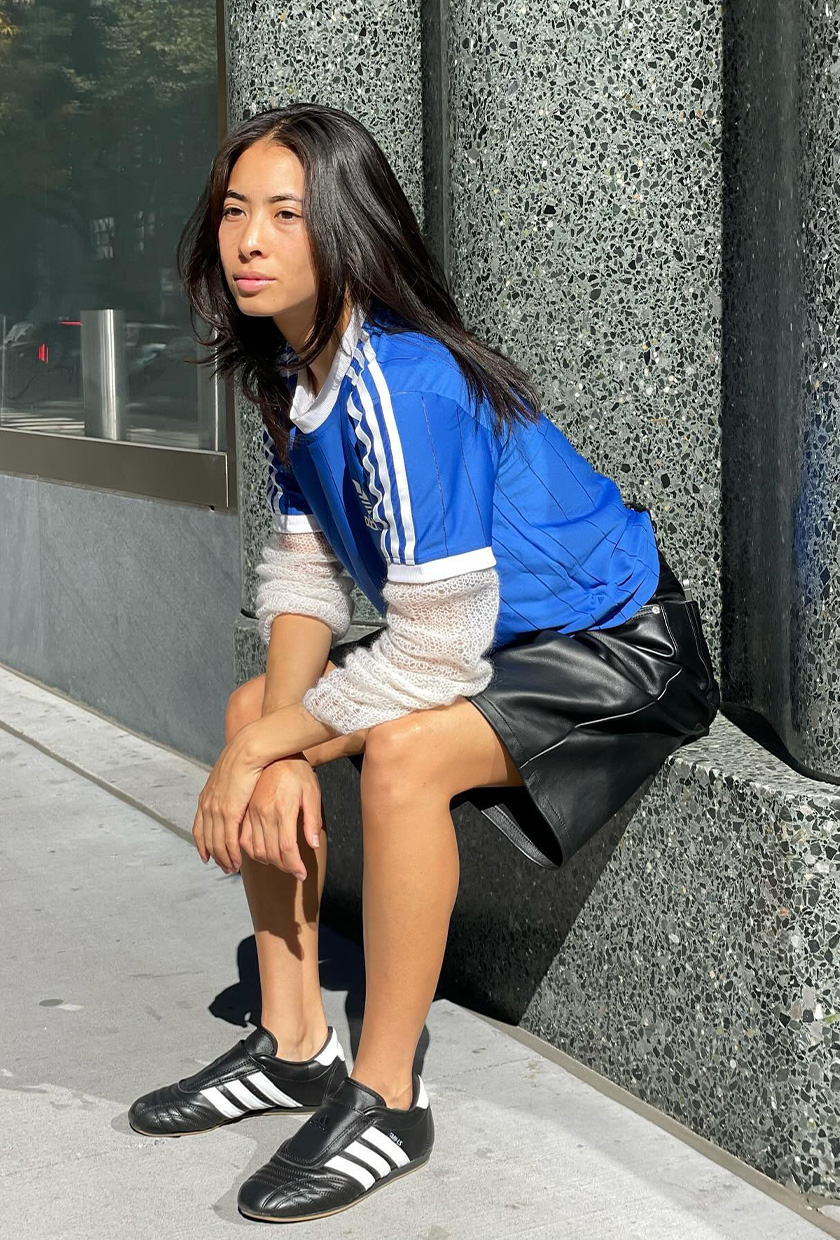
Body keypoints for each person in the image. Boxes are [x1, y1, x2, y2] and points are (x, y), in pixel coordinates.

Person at [128, 101, 720, 1224]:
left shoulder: (402, 379)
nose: (247, 240)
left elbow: (435, 654)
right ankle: (295, 1040)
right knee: (260, 692)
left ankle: (389, 1096)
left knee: (399, 755)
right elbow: (306, 579)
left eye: (286, 215)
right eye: (234, 211)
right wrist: (279, 733)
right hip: (485, 635)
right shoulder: (298, 377)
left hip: (615, 646)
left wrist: (273, 745)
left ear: (345, 228)